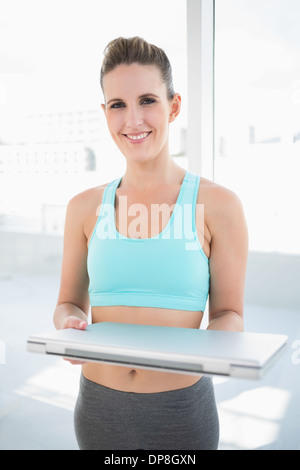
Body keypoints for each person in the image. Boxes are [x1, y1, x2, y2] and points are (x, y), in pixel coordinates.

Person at [53, 36, 248, 450]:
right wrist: (68, 325)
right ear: (105, 113)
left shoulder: (220, 205)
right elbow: (67, 304)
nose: (133, 120)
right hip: (98, 408)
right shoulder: (83, 207)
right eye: (118, 105)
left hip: (181, 411)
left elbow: (230, 314)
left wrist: (213, 345)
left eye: (147, 100)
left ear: (173, 106)